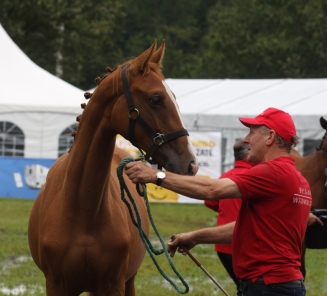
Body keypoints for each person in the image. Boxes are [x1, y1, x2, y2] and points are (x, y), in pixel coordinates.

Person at [125, 107, 311, 296]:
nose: (246, 139)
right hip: (282, 285)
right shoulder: (299, 179)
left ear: (270, 137)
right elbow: (248, 229)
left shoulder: (272, 172)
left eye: (251, 132)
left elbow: (212, 190)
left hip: (268, 287)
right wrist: (195, 237)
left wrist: (154, 174)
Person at [204, 139, 253, 295]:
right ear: (247, 156)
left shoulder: (225, 177)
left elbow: (210, 202)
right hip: (246, 247)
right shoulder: (254, 177)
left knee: (243, 287)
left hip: (223, 248)